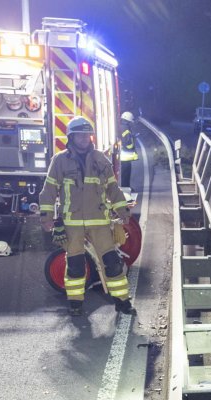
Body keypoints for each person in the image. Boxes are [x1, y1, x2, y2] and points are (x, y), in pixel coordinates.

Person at [38, 117, 133, 317]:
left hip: (99, 221)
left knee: (113, 263)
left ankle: (123, 303)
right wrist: (46, 217)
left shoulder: (100, 160)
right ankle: (75, 304)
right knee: (75, 266)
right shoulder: (60, 161)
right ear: (71, 137)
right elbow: (48, 190)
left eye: (86, 134)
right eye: (79, 135)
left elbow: (112, 189)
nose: (83, 138)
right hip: (71, 223)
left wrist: (123, 211)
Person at [119, 112, 139, 190]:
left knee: (125, 173)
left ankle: (126, 187)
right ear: (127, 121)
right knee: (126, 173)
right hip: (125, 155)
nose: (131, 124)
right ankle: (126, 188)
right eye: (130, 122)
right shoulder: (125, 129)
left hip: (124, 155)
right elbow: (127, 142)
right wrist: (132, 141)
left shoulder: (122, 127)